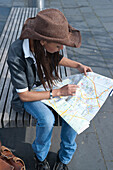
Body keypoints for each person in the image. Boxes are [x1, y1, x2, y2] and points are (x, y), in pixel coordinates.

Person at [7, 8, 92, 170]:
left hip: (47, 86)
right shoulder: (16, 53)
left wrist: (78, 65)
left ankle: (64, 158)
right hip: (30, 94)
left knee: (75, 113)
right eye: (58, 45)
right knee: (46, 120)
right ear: (43, 41)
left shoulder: (43, 46)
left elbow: (56, 57)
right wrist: (59, 92)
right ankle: (40, 157)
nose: (61, 48)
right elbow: (24, 95)